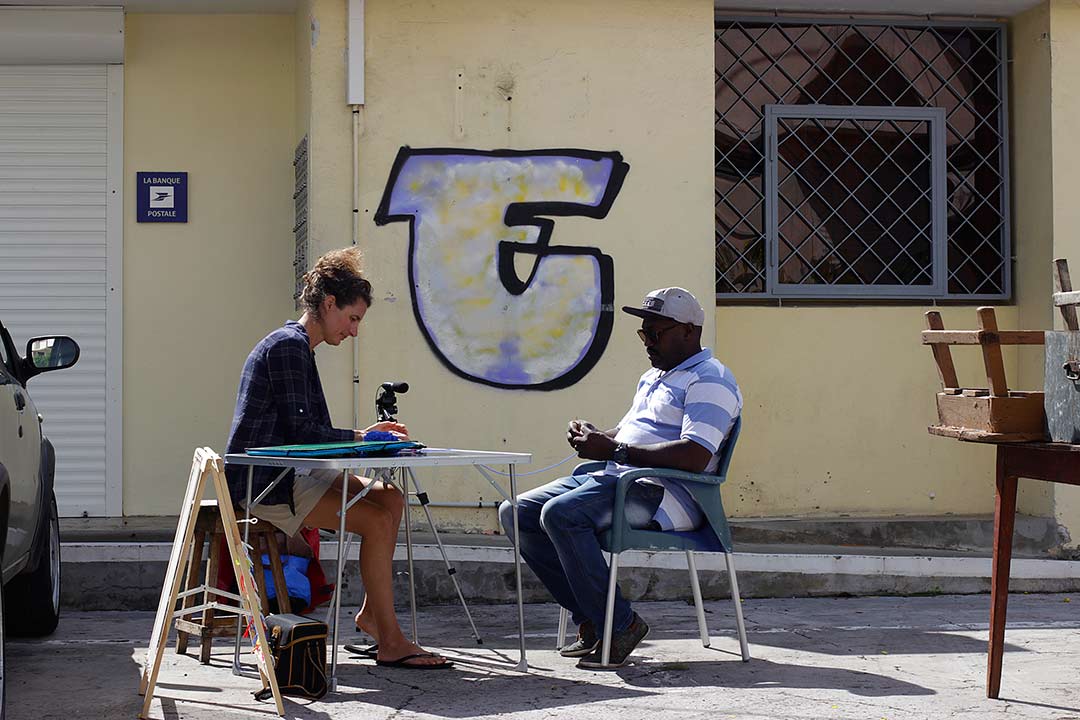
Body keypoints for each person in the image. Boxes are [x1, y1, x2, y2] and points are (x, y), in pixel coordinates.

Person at [224, 247, 451, 670]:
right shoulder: (288, 348)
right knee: (378, 518)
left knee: (391, 497)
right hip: (266, 484)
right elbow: (306, 435)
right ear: (329, 304)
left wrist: (367, 438)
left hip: (289, 473)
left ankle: (371, 615)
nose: (354, 331)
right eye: (353, 318)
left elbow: (311, 433)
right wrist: (364, 437)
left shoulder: (297, 347)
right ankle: (392, 640)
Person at [499, 287, 742, 668]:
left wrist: (614, 451)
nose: (647, 342)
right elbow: (635, 434)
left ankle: (620, 622)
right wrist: (599, 437)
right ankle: (594, 621)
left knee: (562, 515)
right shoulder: (655, 376)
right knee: (516, 511)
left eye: (656, 333)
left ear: (690, 332)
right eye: (643, 333)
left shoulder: (710, 379)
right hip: (621, 477)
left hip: (665, 493)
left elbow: (695, 455)